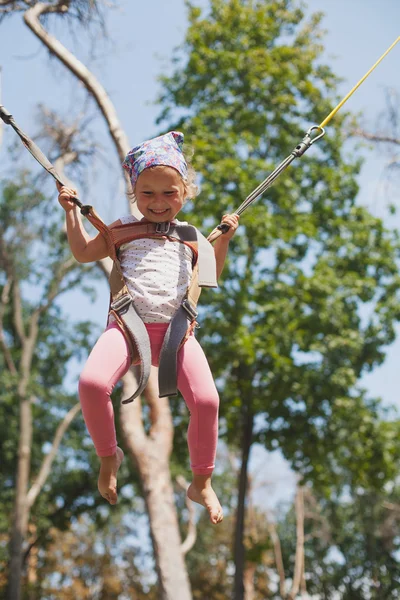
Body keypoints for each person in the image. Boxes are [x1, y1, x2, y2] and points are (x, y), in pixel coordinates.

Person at [57, 131, 239, 524]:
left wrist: (223, 239)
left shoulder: (192, 238)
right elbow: (83, 251)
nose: (158, 203)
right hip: (126, 328)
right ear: (134, 195)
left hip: (178, 335)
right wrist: (72, 212)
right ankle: (109, 456)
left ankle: (201, 481)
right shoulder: (120, 229)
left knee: (207, 402)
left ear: (185, 192)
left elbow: (210, 274)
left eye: (168, 193)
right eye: (148, 194)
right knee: (90, 384)